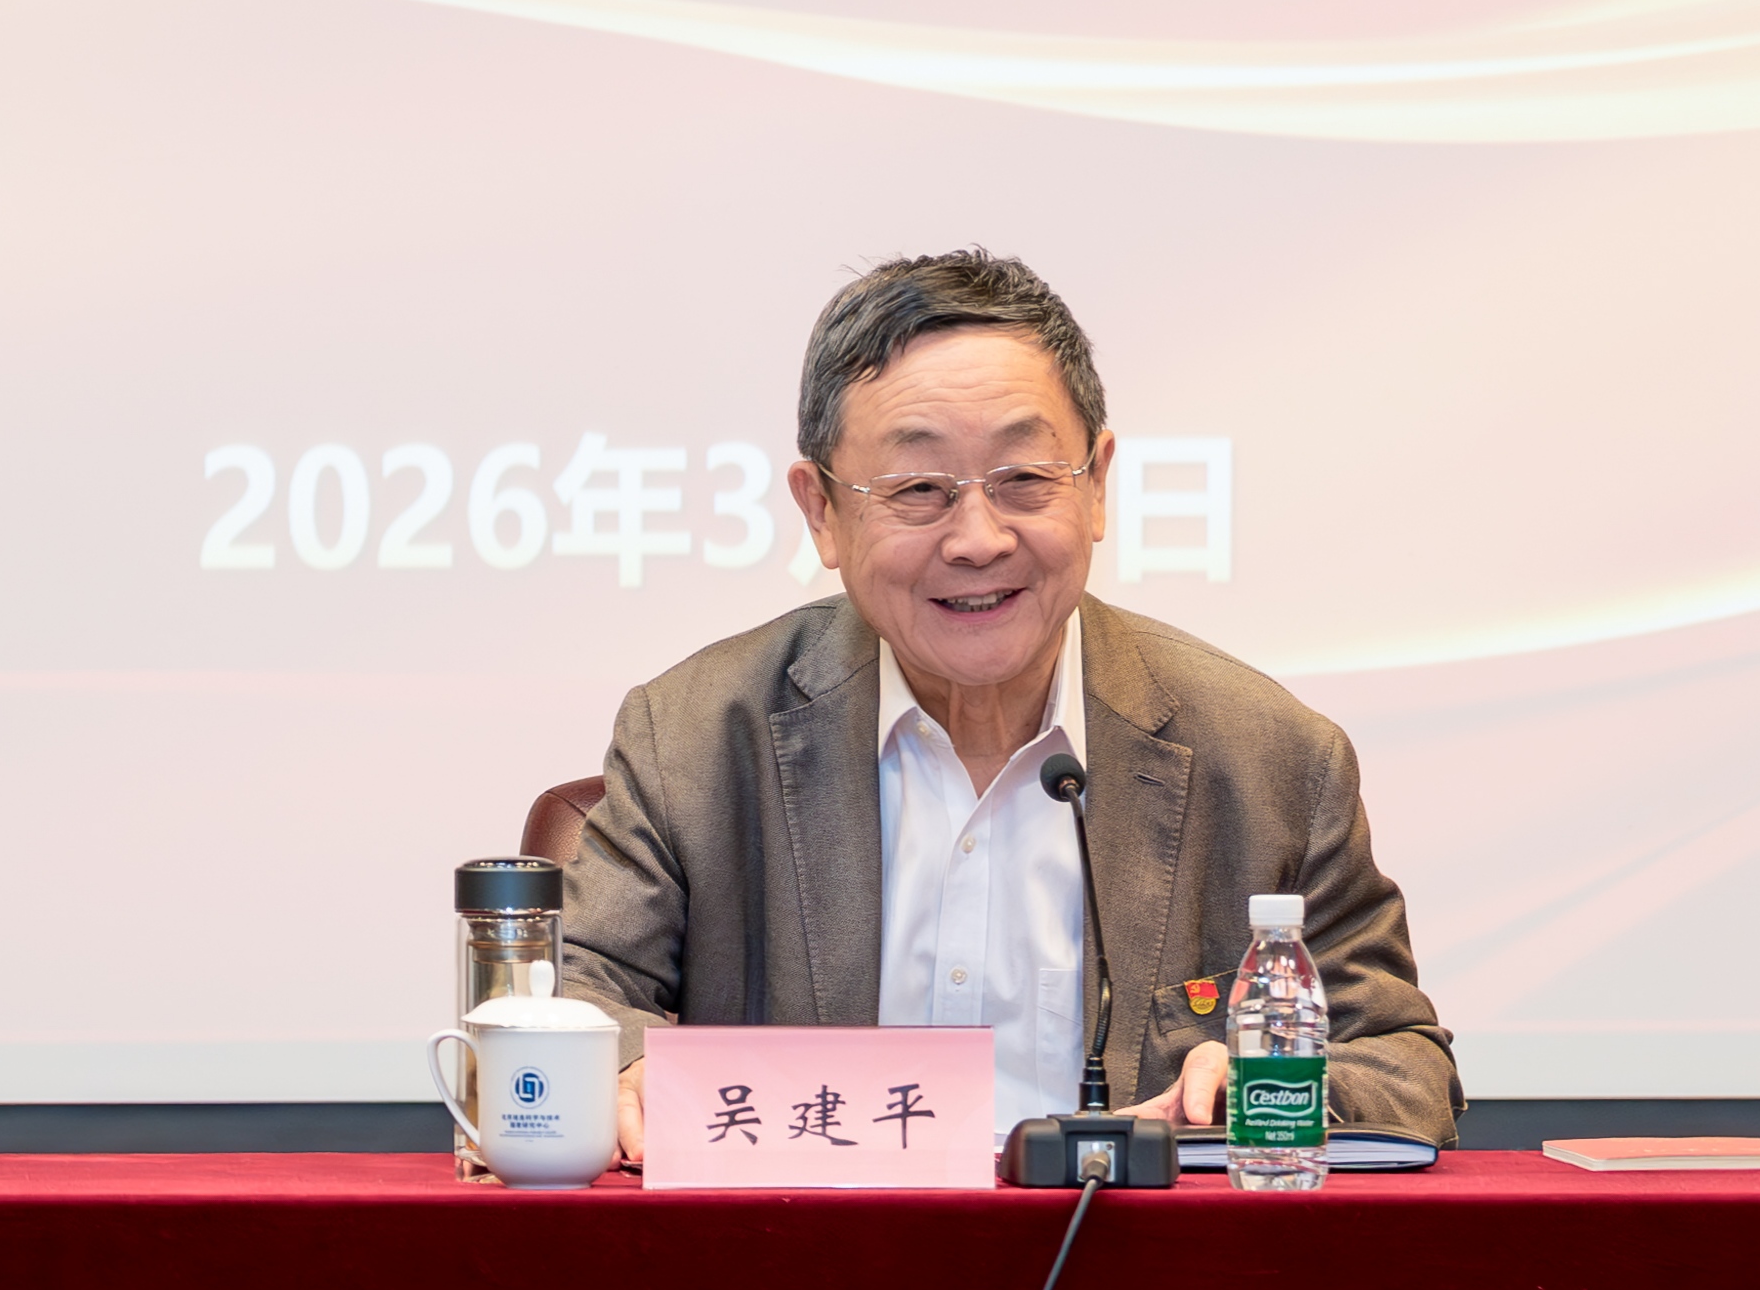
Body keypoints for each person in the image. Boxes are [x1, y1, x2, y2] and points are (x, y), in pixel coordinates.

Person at [557, 248, 1458, 1164]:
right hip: (807, 1248)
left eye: (1024, 479)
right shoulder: (693, 736)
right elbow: (572, 997)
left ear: (1096, 485)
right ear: (821, 510)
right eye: (918, 490)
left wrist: (1266, 1086)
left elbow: (1401, 1062)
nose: (979, 539)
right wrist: (625, 1068)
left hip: (1126, 1251)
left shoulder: (1269, 758)